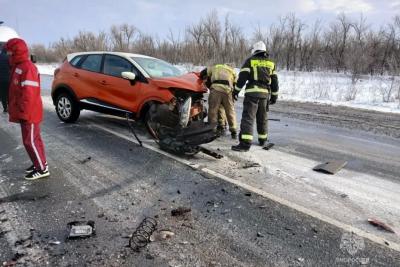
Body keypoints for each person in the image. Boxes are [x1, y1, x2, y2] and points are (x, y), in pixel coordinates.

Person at [5, 38, 49, 180]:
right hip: (26, 111)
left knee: (30, 141)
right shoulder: (19, 66)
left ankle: (41, 170)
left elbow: (29, 94)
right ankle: (40, 163)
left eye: (10, 51)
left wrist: (24, 112)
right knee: (35, 139)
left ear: (16, 51)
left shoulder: (27, 68)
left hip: (29, 112)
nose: (8, 54)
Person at [231, 41, 279, 152]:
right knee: (263, 118)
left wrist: (235, 92)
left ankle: (245, 144)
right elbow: (275, 82)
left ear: (254, 50)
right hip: (264, 95)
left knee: (248, 118)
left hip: (252, 94)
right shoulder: (271, 63)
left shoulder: (250, 61)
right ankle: (263, 140)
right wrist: (274, 96)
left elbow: (242, 78)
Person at [200, 63, 237, 139]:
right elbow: (236, 83)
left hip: (216, 89)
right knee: (230, 110)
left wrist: (206, 82)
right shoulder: (232, 70)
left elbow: (203, 73)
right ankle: (233, 131)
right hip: (228, 90)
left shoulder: (214, 67)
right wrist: (234, 94)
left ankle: (212, 129)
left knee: (213, 110)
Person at [0, 44, 9, 112]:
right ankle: (10, 107)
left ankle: (5, 108)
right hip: (8, 79)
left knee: (3, 94)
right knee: (9, 93)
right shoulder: (9, 58)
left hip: (1, 79)